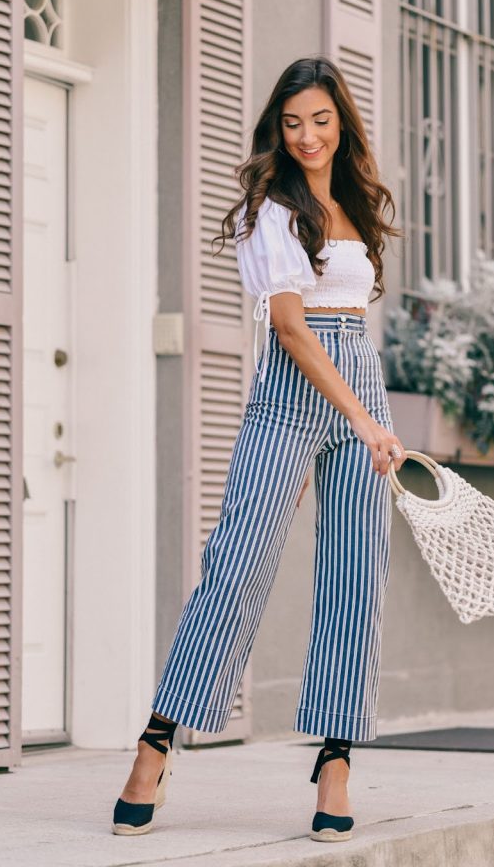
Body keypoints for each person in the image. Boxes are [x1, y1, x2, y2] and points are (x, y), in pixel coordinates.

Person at [112, 56, 408, 842]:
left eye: (319, 119)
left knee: (356, 574)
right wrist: (363, 421)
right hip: (293, 388)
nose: (307, 136)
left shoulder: (352, 203)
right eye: (291, 123)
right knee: (237, 562)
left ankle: (336, 762)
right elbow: (290, 328)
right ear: (277, 130)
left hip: (359, 380)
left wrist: (366, 416)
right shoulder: (268, 209)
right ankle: (157, 740)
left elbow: (351, 321)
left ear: (341, 120)